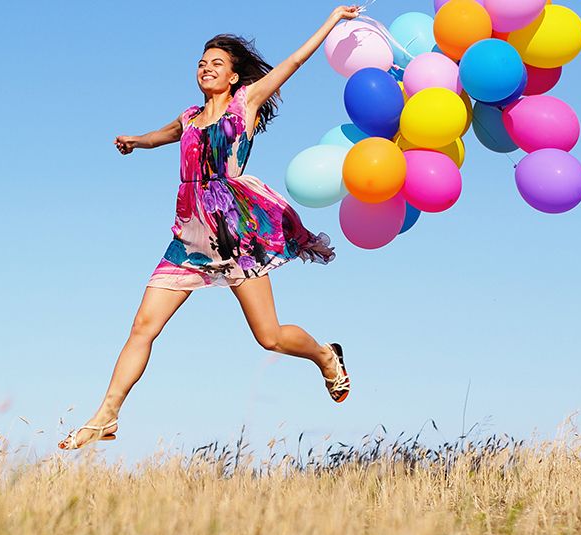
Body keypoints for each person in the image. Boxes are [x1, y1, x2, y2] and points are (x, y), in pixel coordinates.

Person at [59, 5, 362, 450]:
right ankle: (105, 416)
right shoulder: (189, 116)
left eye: (217, 63)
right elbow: (167, 133)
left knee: (269, 337)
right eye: (202, 62)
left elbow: (294, 62)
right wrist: (137, 142)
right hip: (189, 234)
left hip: (234, 231)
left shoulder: (246, 103)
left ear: (234, 77)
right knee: (142, 326)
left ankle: (325, 356)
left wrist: (333, 20)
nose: (206, 68)